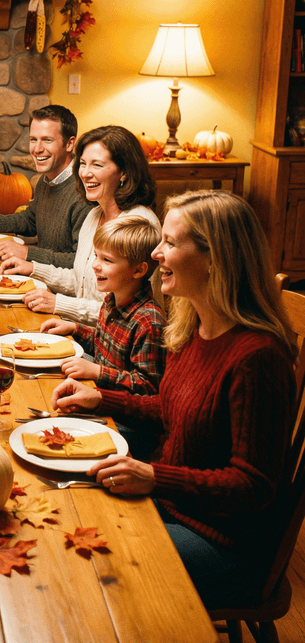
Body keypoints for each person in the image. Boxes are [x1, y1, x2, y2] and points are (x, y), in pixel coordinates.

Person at [50, 190, 297, 609]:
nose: (158, 253)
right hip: (174, 502)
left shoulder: (257, 358)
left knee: (83, 567)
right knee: (62, 517)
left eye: (170, 242)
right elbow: (170, 408)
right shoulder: (193, 325)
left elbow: (253, 486)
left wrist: (155, 477)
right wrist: (101, 400)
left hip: (224, 541)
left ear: (214, 259)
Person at [0, 125, 160, 326]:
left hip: (112, 346)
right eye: (83, 163)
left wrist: (58, 303)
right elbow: (80, 281)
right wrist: (33, 268)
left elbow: (128, 313)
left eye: (97, 165)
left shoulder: (139, 224)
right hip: (81, 330)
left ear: (124, 173)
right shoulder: (94, 215)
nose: (85, 173)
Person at [40, 215, 165, 395]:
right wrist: (74, 328)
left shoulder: (149, 322)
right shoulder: (111, 300)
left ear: (138, 270)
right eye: (96, 256)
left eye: (107, 260)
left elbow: (148, 387)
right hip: (97, 390)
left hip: (119, 416)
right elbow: (104, 344)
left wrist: (97, 372)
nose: (95, 265)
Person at [0, 105, 90, 266]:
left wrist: (28, 253)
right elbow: (31, 220)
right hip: (39, 275)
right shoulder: (46, 180)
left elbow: (81, 262)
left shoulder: (86, 192)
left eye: (47, 140)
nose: (37, 149)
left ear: (69, 144)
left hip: (60, 288)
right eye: (33, 139)